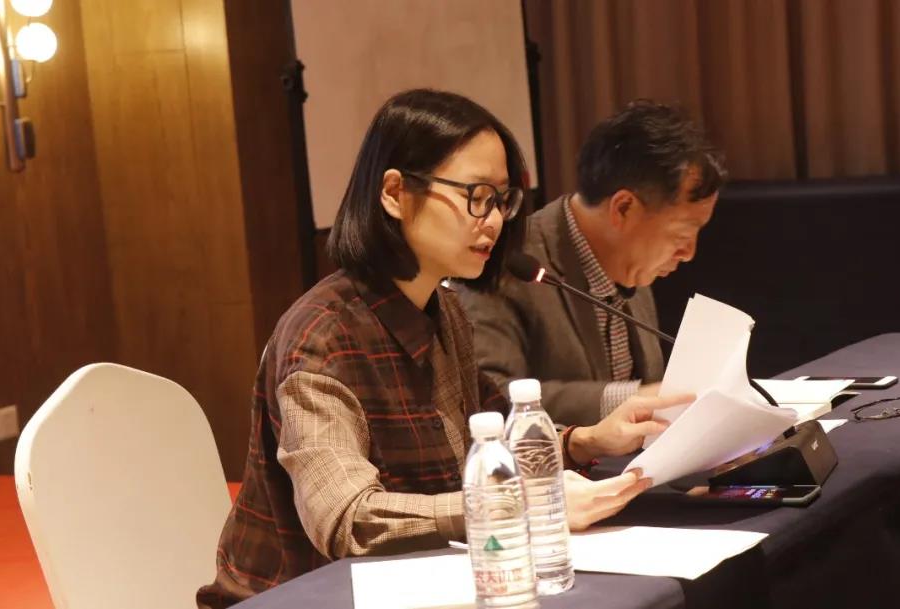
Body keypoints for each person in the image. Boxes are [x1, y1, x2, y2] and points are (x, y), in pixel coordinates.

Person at [196, 90, 693, 608]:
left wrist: (586, 440)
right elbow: (347, 519)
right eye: (476, 196)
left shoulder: (443, 310)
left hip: (422, 585)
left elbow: (494, 431)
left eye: (501, 200)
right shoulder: (321, 338)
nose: (494, 220)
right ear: (395, 193)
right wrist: (511, 505)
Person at [457, 100, 725, 427]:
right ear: (623, 208)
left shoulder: (631, 259)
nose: (689, 252)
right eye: (682, 234)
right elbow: (490, 397)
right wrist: (629, 399)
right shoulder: (508, 263)